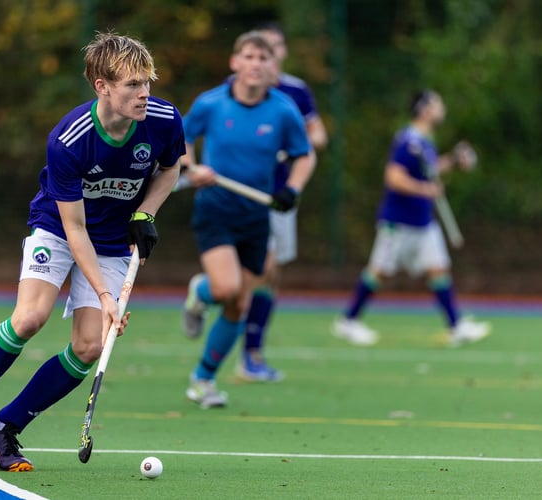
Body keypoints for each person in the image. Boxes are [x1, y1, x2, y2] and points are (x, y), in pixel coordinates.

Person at [0, 33, 184, 471]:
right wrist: (105, 295)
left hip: (115, 237)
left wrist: (146, 213)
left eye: (147, 83)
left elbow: (171, 167)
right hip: (60, 229)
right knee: (30, 317)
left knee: (89, 345)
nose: (144, 94)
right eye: (132, 85)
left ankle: (6, 428)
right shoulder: (69, 139)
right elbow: (74, 228)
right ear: (102, 86)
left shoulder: (164, 119)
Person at [180, 31, 316, 408]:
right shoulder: (211, 104)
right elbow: (181, 141)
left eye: (264, 58)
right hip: (216, 207)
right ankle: (200, 291)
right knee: (225, 289)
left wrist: (293, 188)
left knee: (239, 304)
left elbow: (304, 156)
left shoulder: (284, 110)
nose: (257, 64)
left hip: (256, 215)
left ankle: (203, 379)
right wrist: (192, 167)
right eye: (250, 56)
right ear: (235, 62)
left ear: (274, 67)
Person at [333, 90, 490, 347]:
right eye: (438, 104)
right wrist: (425, 189)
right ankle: (348, 321)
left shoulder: (425, 141)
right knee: (379, 271)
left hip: (422, 220)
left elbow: (428, 169)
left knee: (439, 269)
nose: (443, 109)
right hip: (399, 221)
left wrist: (452, 160)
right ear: (425, 109)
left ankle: (456, 326)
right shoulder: (409, 141)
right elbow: (394, 178)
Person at [237, 23, 328, 382]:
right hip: (242, 197)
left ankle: (252, 352)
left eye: (272, 48)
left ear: (282, 53)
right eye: (257, 49)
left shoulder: (294, 92)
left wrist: (293, 145)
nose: (265, 56)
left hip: (279, 197)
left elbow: (317, 136)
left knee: (269, 277)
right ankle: (244, 350)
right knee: (257, 272)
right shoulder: (236, 93)